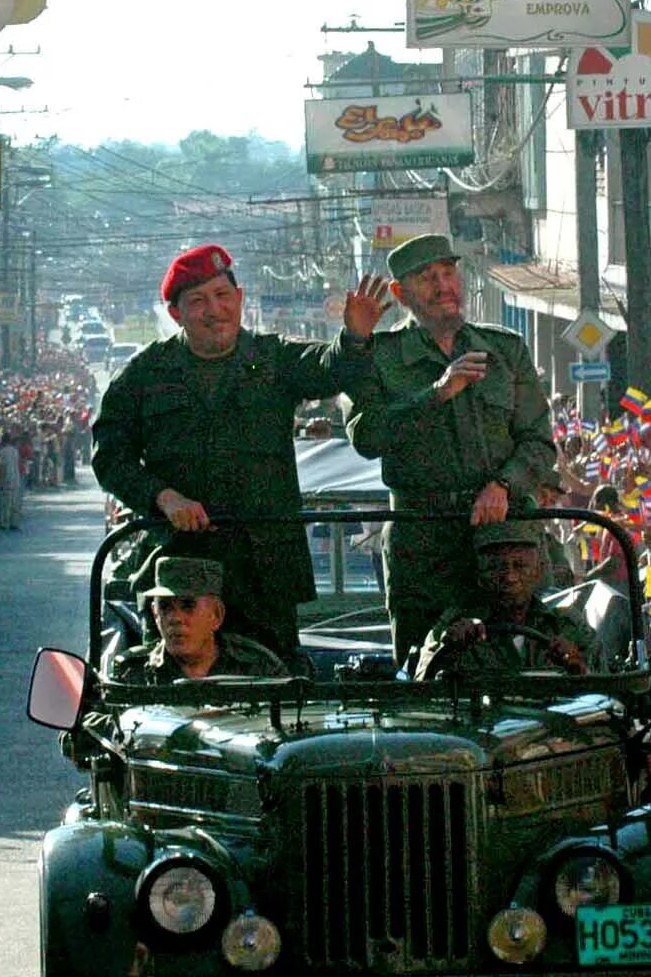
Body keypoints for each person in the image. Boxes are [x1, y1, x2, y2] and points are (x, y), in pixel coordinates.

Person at [92, 244, 387, 659]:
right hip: (183, 568)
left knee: (277, 688)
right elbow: (109, 455)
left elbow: (328, 368)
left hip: (263, 569)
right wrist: (164, 497)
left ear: (240, 298)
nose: (214, 310)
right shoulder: (145, 374)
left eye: (222, 295)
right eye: (197, 301)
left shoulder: (273, 358)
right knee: (180, 691)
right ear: (176, 314)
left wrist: (355, 336)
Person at [345, 235, 556, 662]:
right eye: (427, 278)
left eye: (448, 273)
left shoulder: (504, 349)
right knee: (424, 663)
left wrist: (503, 485)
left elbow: (539, 442)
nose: (444, 286)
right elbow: (366, 436)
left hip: (502, 536)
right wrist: (437, 394)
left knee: (517, 656)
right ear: (401, 294)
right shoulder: (379, 356)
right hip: (423, 540)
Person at [413, 521, 598, 679]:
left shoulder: (567, 625)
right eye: (496, 567)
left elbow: (607, 694)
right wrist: (448, 652)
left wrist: (576, 665)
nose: (510, 576)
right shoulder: (454, 627)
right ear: (480, 575)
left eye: (520, 566)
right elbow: (420, 693)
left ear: (538, 571)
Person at [106, 557, 288, 683]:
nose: (175, 618)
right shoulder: (132, 669)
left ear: (216, 615)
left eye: (187, 606)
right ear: (155, 614)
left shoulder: (258, 668)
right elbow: (96, 723)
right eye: (165, 607)